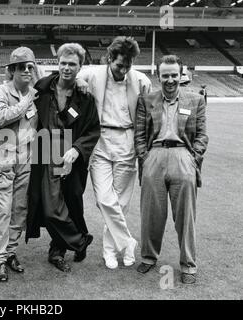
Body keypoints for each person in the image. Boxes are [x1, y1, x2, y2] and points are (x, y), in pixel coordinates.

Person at [77, 36, 152, 269]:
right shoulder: (93, 74)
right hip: (100, 141)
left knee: (120, 202)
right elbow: (74, 75)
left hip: (127, 141)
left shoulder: (141, 80)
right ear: (110, 58)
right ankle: (127, 242)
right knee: (103, 199)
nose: (123, 70)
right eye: (120, 65)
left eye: (128, 65)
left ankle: (111, 251)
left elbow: (148, 115)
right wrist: (79, 81)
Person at [26, 43, 100, 272]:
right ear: (57, 64)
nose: (67, 68)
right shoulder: (43, 87)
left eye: (72, 64)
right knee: (48, 206)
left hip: (70, 158)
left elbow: (92, 129)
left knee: (71, 203)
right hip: (45, 153)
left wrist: (77, 149)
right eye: (63, 63)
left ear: (80, 67)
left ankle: (62, 247)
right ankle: (77, 241)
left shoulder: (85, 97)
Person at [134, 55, 208, 284]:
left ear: (181, 75)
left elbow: (203, 135)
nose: (170, 80)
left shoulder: (196, 100)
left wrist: (193, 158)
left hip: (183, 156)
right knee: (151, 214)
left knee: (186, 216)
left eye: (174, 75)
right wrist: (145, 159)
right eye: (165, 75)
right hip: (154, 155)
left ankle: (188, 265)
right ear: (158, 76)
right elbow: (139, 135)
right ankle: (148, 257)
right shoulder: (146, 100)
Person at [0, 47, 39, 282]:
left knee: (19, 211)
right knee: (1, 212)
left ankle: (10, 253)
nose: (27, 71)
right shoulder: (0, 91)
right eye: (21, 67)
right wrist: (26, 101)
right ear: (12, 70)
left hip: (25, 160)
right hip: (2, 161)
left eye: (30, 66)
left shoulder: (37, 93)